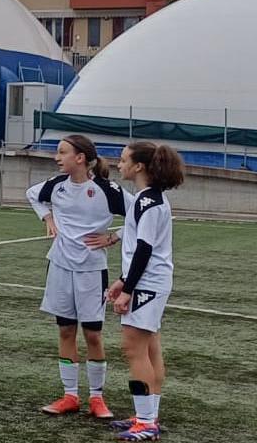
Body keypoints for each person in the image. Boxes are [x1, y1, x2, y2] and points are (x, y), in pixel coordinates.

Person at [27, 134, 126, 420]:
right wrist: (47, 217)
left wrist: (114, 236)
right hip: (59, 266)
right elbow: (32, 194)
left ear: (80, 158)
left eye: (62, 152)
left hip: (92, 270)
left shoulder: (106, 190)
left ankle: (97, 398)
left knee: (93, 334)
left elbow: (140, 216)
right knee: (65, 331)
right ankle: (70, 395)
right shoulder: (56, 185)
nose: (57, 157)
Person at [101, 141, 184, 442]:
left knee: (134, 349)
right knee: (150, 349)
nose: (118, 164)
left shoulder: (148, 201)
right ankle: (148, 416)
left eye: (123, 160)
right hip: (150, 282)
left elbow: (144, 249)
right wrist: (123, 280)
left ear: (139, 166)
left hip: (148, 284)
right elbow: (141, 247)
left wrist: (128, 288)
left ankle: (147, 423)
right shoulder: (148, 198)